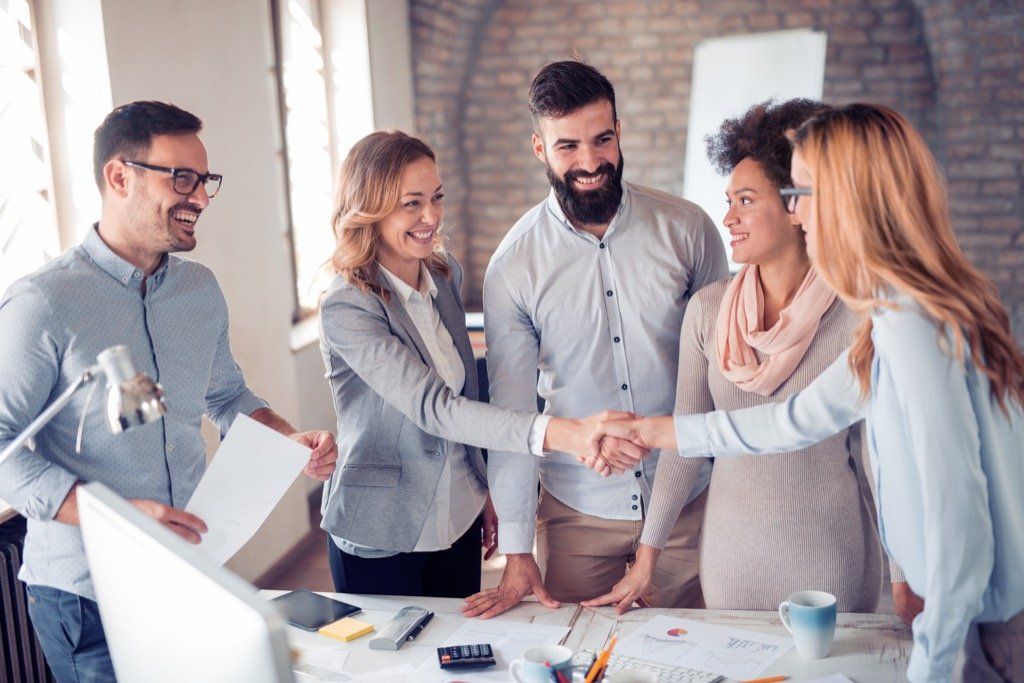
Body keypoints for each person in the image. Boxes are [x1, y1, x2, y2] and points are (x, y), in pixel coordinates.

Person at [588, 104, 1024, 682]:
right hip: (967, 621)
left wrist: (932, 665)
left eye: (804, 191)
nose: (797, 209)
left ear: (852, 199)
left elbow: (959, 525)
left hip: (979, 631)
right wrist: (652, 431)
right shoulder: (891, 317)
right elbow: (790, 421)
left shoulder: (916, 325)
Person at [0, 101, 338, 682]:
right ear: (119, 176)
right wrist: (118, 518)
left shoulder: (199, 290)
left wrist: (290, 440)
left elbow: (226, 395)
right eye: (181, 178)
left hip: (186, 568)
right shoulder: (43, 303)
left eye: (205, 181)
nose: (201, 199)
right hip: (85, 595)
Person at [317, 130, 640, 599]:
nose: (431, 217)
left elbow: (472, 393)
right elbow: (437, 409)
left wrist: (486, 486)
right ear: (371, 208)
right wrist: (565, 433)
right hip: (380, 529)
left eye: (437, 197)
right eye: (412, 204)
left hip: (459, 517)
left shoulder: (444, 275)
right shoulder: (348, 307)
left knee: (457, 662)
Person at [461, 60, 729, 620]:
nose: (589, 162)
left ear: (619, 131)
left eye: (601, 139)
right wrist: (516, 549)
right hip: (576, 512)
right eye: (567, 147)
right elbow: (514, 415)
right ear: (540, 148)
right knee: (576, 661)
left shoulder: (690, 231)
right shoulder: (513, 267)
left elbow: (716, 381)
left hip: (689, 506)